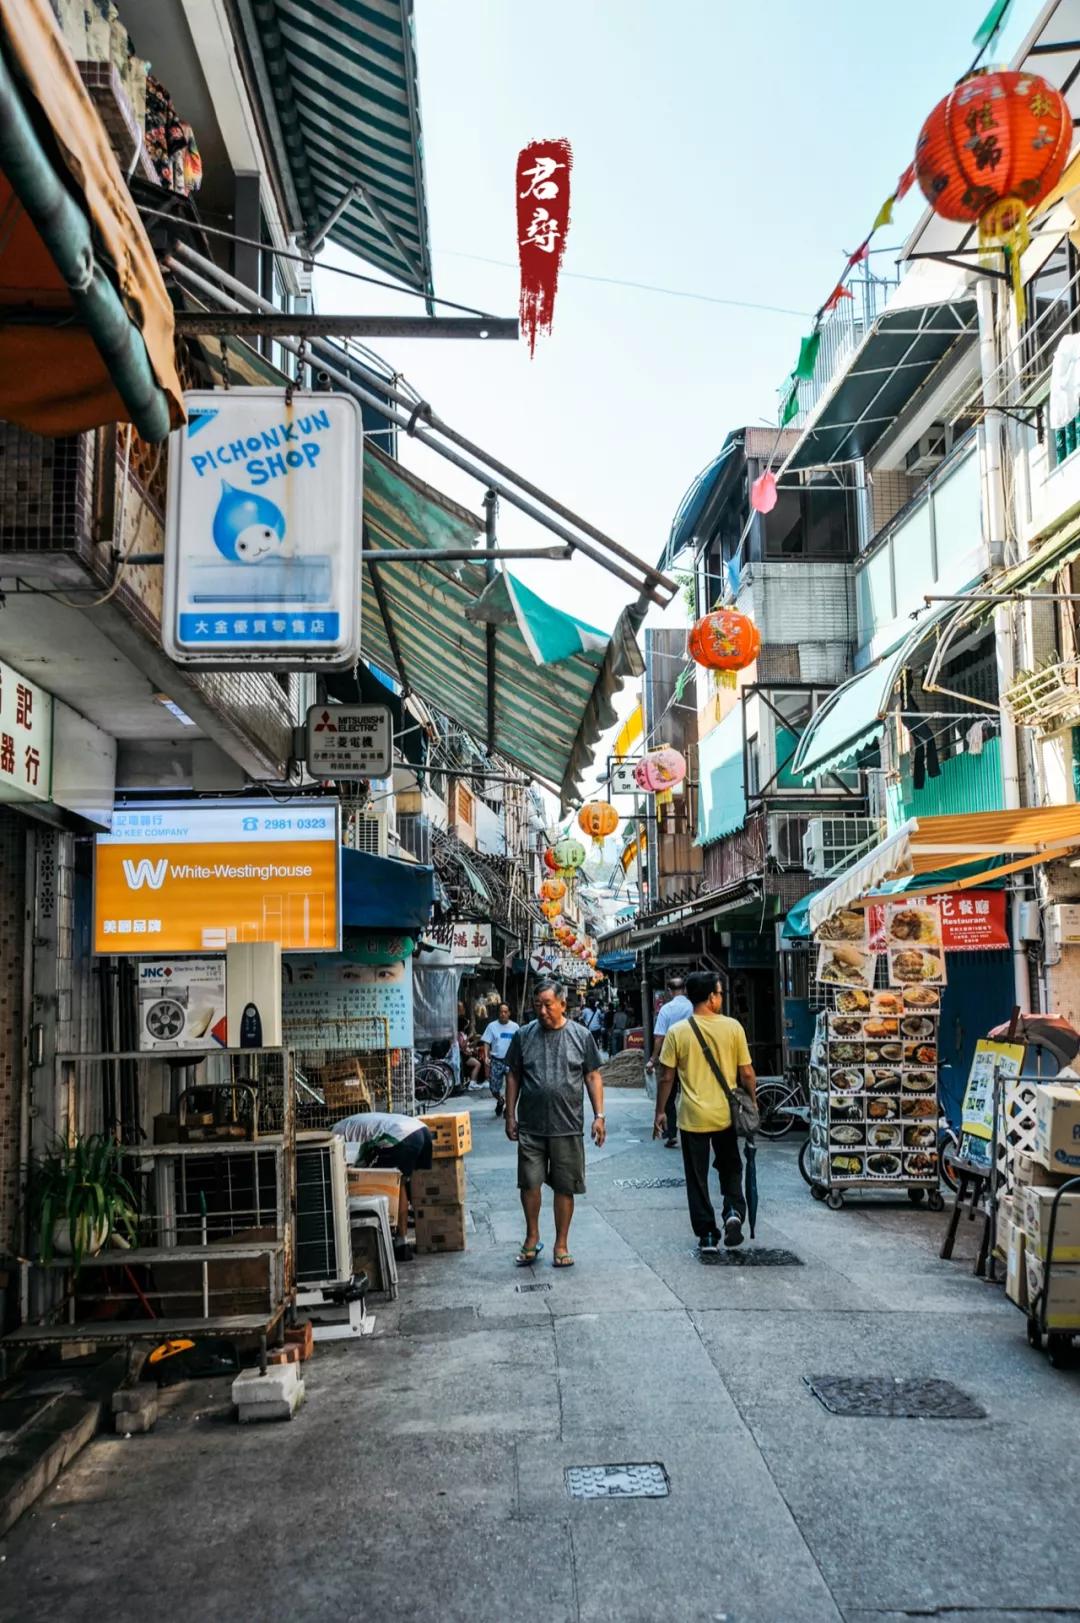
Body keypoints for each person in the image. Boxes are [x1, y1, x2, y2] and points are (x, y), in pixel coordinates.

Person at [653, 970, 757, 1253]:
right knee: (731, 1167)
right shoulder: (733, 1027)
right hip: (726, 1115)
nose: (721, 997)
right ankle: (733, 1212)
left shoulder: (678, 1032)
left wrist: (660, 1111)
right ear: (711, 997)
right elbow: (746, 1073)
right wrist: (753, 1102)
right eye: (720, 993)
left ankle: (708, 1235)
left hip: (691, 1116)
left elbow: (666, 1077)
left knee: (697, 1178)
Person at [505, 980, 605, 1269]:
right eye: (538, 1005)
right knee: (529, 1183)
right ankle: (532, 1236)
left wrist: (600, 1116)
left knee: (564, 1186)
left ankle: (561, 1243)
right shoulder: (523, 1036)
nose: (543, 1010)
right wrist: (510, 1114)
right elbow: (513, 1075)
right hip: (531, 1126)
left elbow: (592, 1076)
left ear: (563, 1004)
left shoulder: (581, 1035)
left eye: (548, 1004)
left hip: (567, 1125)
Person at [331, 1110, 434, 1239]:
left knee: (395, 1184)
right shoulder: (350, 1123)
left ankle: (402, 1241)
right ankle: (425, 1229)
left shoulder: (335, 1135)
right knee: (409, 1181)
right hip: (422, 1130)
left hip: (401, 1136)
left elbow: (360, 1155)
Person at [646, 976, 693, 1147]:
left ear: (669, 991)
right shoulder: (693, 1007)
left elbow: (659, 1037)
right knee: (691, 1093)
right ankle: (692, 1131)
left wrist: (653, 1058)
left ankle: (671, 1132)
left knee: (669, 1096)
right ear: (685, 990)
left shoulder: (666, 1009)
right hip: (691, 1058)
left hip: (671, 1058)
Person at [480, 1001, 520, 1118]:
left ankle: (508, 1108)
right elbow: (487, 1042)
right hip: (496, 1060)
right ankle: (500, 1099)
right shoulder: (492, 1026)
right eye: (501, 1012)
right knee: (494, 1088)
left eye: (505, 1012)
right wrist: (486, 1056)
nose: (503, 1014)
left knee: (511, 1086)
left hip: (510, 1061)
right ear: (498, 1013)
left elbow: (518, 1044)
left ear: (509, 1013)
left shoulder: (515, 1027)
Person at [456, 1017, 482, 1088]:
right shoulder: (459, 1035)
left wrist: (475, 1041)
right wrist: (469, 1038)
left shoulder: (463, 1034)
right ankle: (472, 1082)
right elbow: (462, 1046)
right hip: (463, 1055)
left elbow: (468, 1045)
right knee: (477, 1064)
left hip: (467, 1054)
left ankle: (474, 1081)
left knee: (478, 1062)